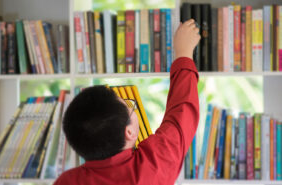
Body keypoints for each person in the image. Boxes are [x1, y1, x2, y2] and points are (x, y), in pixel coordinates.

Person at [53, 19, 200, 185]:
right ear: (129, 132)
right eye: (130, 106)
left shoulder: (67, 181)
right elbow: (182, 112)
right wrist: (184, 54)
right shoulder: (151, 167)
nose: (132, 107)